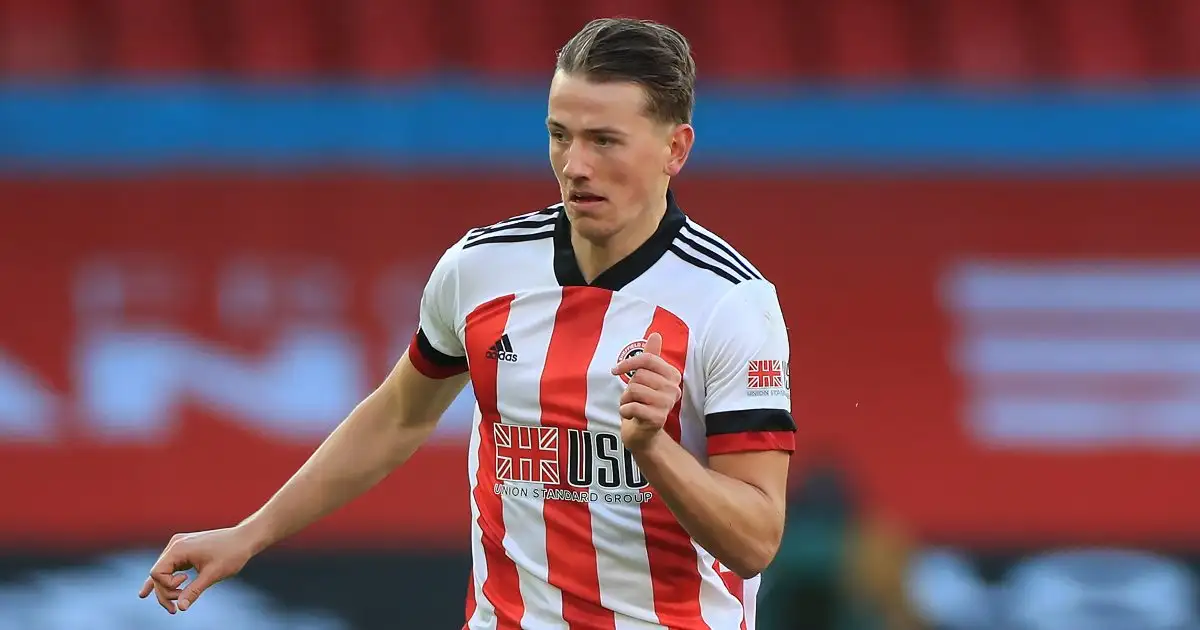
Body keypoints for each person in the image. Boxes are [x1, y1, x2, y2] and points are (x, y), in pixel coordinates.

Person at [139, 17, 796, 629]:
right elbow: (399, 416)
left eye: (604, 141)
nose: (575, 165)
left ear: (675, 148)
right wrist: (249, 534)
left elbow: (755, 542)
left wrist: (655, 450)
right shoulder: (480, 268)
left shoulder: (729, 303)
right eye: (559, 135)